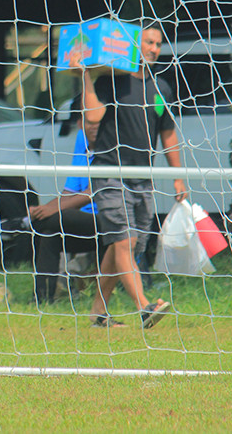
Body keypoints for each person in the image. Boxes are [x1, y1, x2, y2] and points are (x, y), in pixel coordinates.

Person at [81, 20, 186, 329]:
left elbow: (168, 133)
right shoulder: (112, 81)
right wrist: (85, 74)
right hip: (109, 172)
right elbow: (93, 117)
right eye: (148, 42)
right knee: (124, 241)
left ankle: (98, 313)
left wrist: (178, 176)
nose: (153, 49)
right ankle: (145, 306)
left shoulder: (161, 87)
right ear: (131, 45)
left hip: (142, 177)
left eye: (157, 44)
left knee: (124, 246)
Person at [29, 126, 101, 308]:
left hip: (110, 219)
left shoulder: (113, 142)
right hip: (82, 222)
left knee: (55, 217)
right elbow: (69, 191)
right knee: (49, 233)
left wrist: (49, 212)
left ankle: (20, 224)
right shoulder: (82, 139)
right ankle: (42, 299)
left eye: (97, 121)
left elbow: (97, 191)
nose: (93, 126)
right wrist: (44, 209)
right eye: (87, 121)